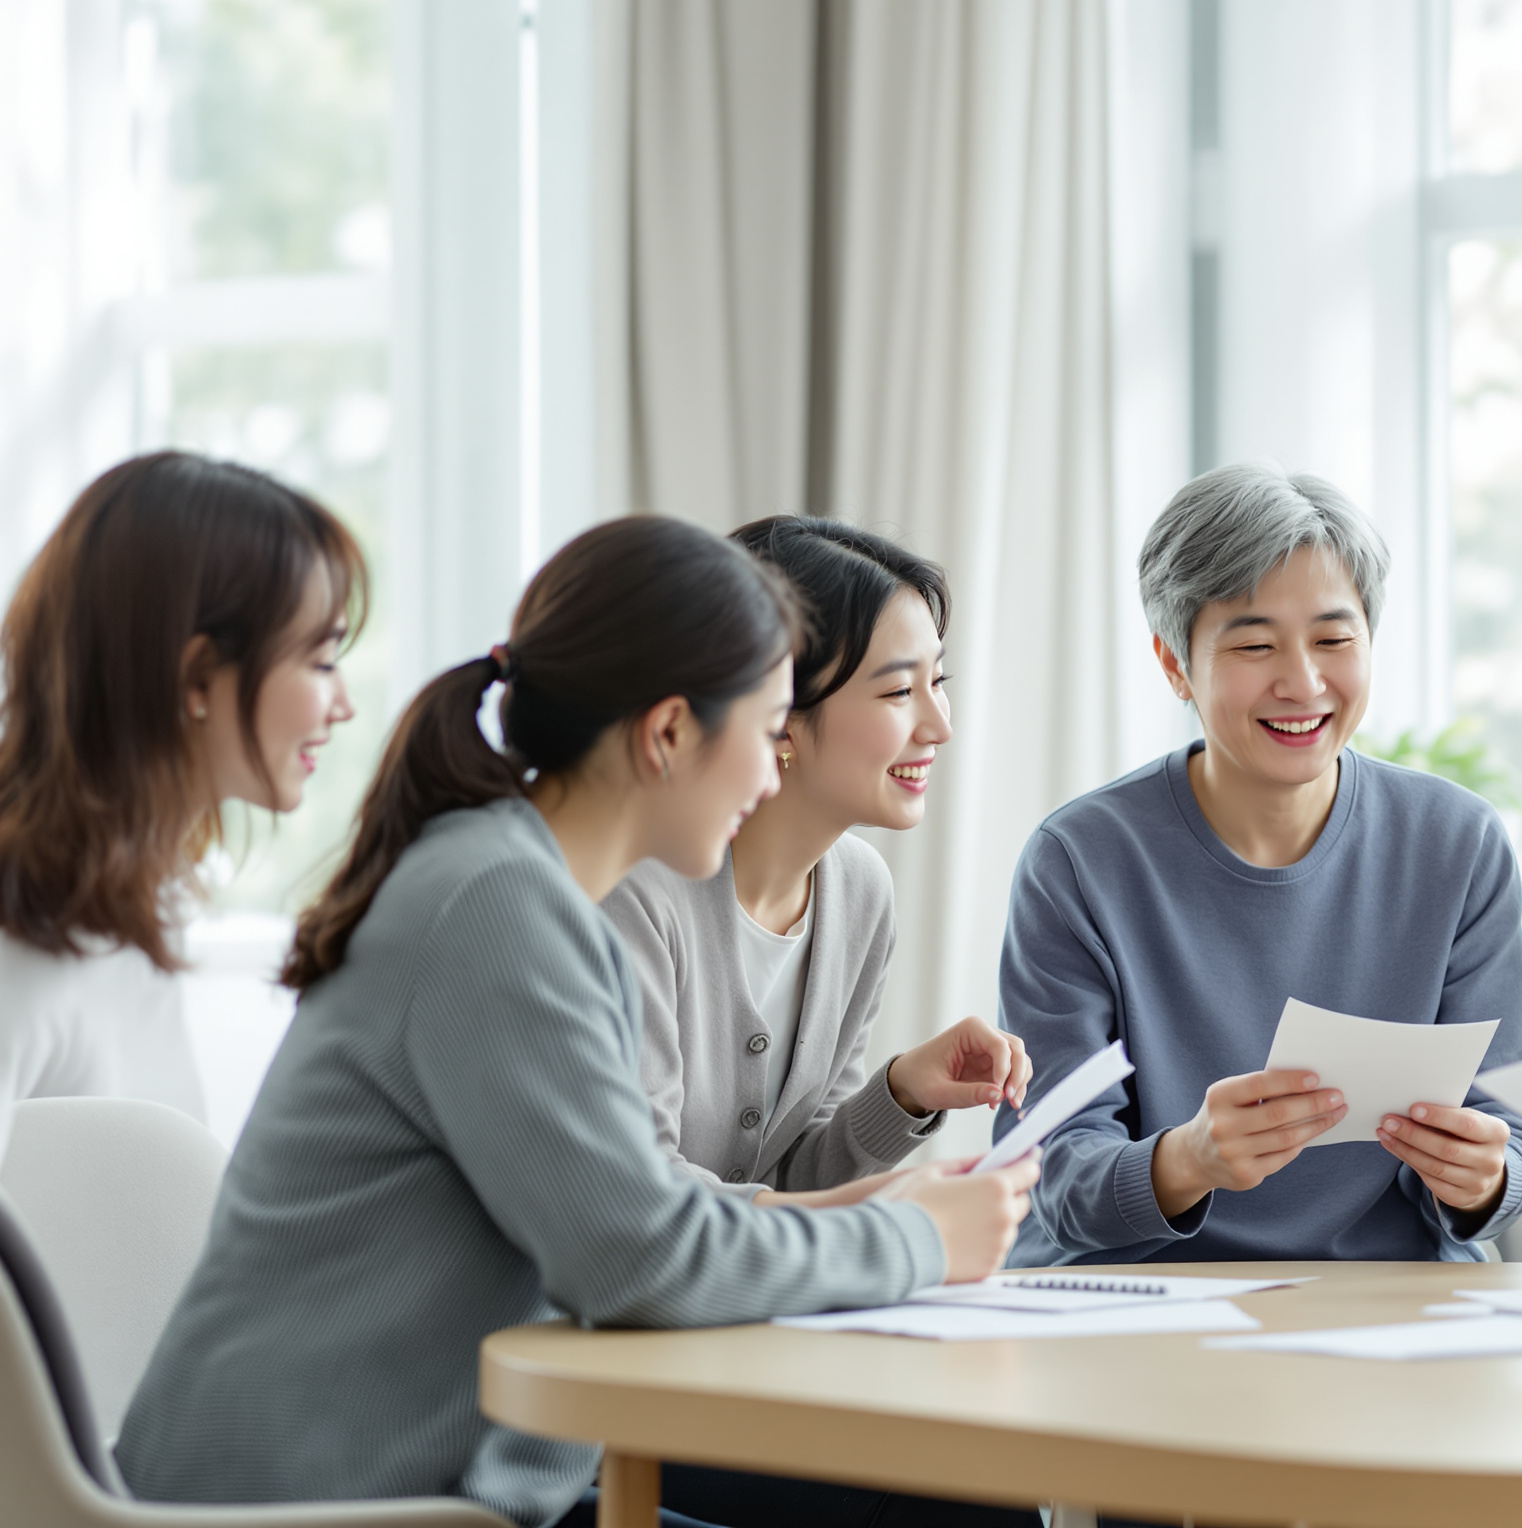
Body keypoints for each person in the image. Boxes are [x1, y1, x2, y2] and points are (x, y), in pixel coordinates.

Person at [117, 516, 1041, 1528]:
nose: (769, 775)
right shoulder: (501, 905)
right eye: (765, 729)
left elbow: (640, 1216)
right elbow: (642, 1261)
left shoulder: (524, 889)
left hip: (460, 1483)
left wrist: (891, 1204)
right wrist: (911, 1237)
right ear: (668, 735)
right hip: (321, 1501)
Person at [998, 462, 1522, 1267]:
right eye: (1255, 645)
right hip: (1145, 1301)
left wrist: (1484, 1177)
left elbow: (1512, 1136)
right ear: (1174, 663)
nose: (1303, 681)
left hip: (1385, 1305)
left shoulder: (1455, 845)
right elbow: (1049, 1174)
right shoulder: (1080, 862)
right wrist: (1186, 1161)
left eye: (1334, 640)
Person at [606, 516, 1030, 1204]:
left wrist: (903, 1091)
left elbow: (791, 1176)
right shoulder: (635, 889)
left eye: (938, 681)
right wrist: (888, 1217)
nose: (940, 725)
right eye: (899, 691)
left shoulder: (861, 891)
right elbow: (636, 1189)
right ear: (776, 713)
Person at [0, 451, 362, 1157]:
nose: (343, 704)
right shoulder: (26, 955)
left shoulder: (135, 913)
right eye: (320, 661)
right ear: (198, 677)